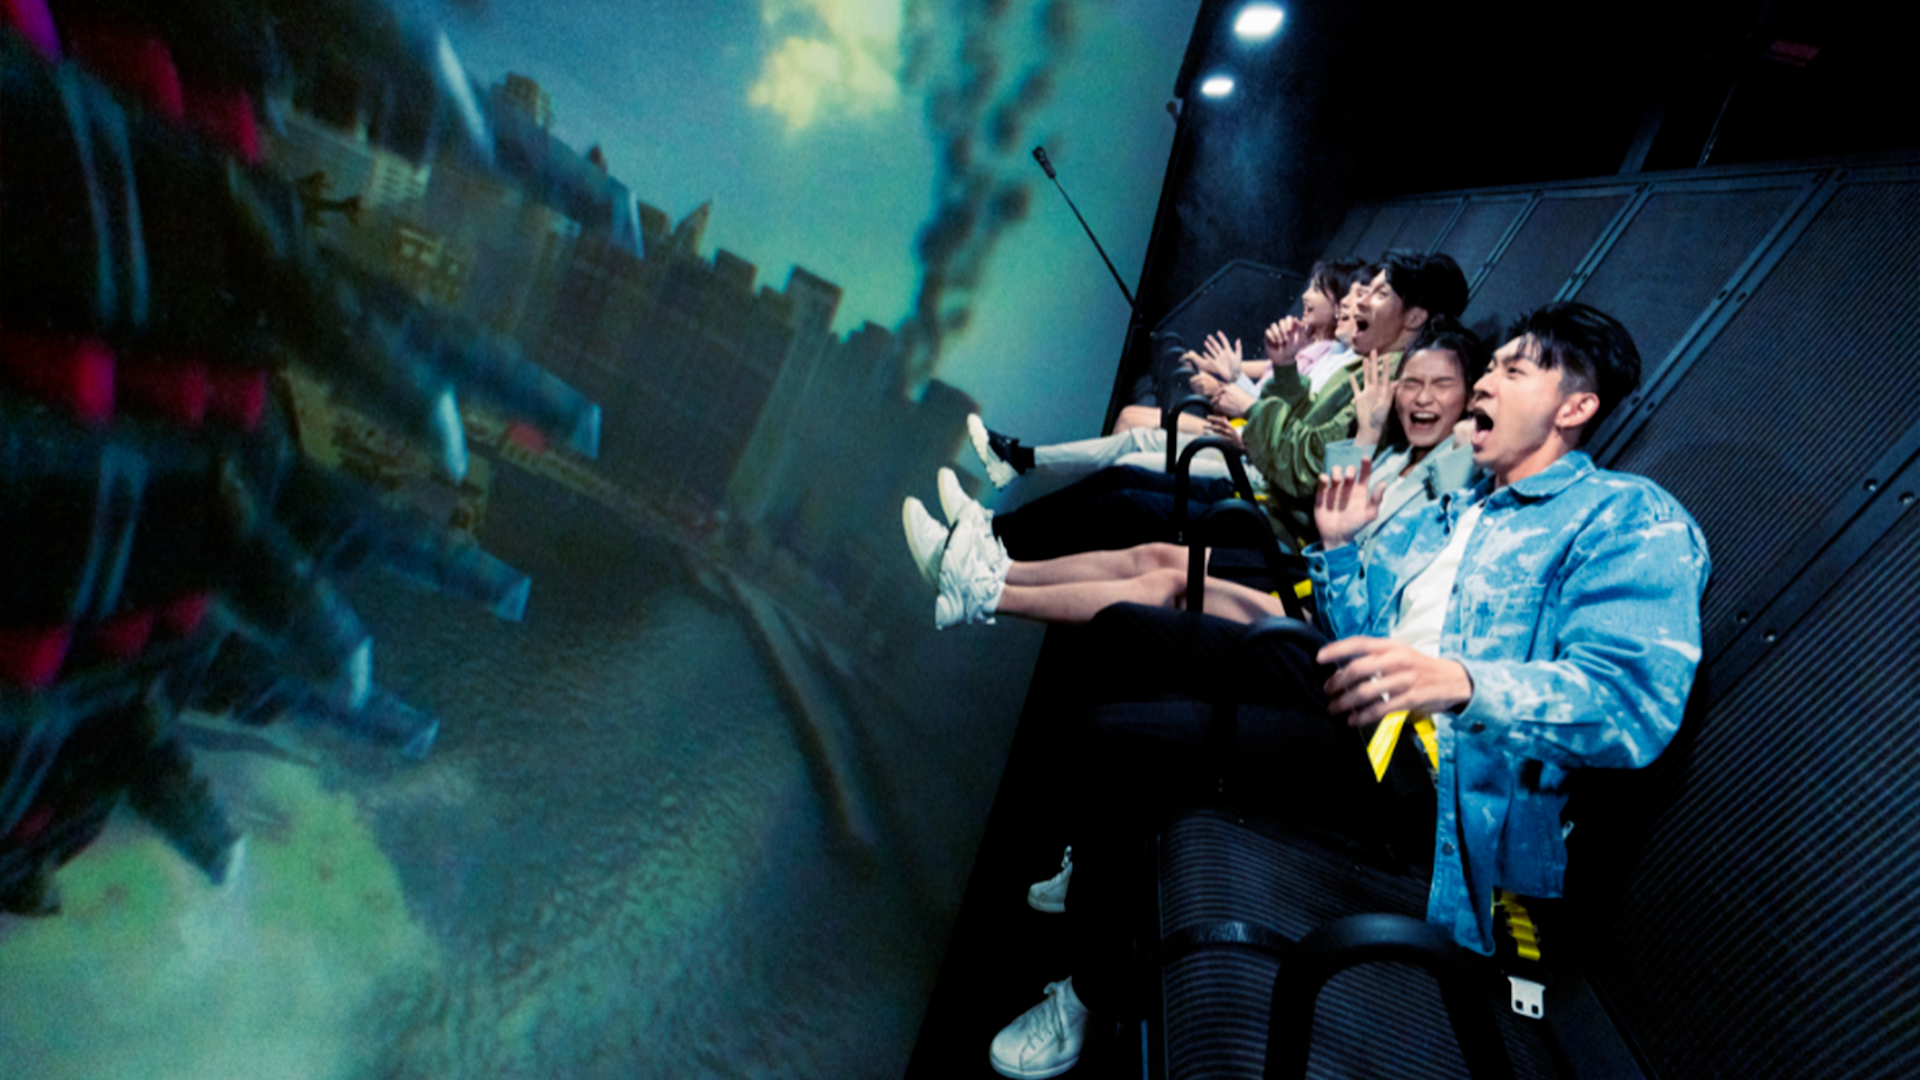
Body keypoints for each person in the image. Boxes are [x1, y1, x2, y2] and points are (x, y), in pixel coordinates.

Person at [977, 302, 1710, 1079]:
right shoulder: (1465, 497)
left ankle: (1096, 993)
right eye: (1491, 367)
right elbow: (1357, 625)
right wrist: (1337, 549)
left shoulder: (1630, 517)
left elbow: (1632, 702)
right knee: (1126, 631)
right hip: (1362, 693)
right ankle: (1100, 853)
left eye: (1513, 371)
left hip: (1434, 781)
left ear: (1575, 407)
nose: (1485, 385)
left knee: (1110, 746)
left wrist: (1462, 683)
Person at [902, 318, 1490, 631]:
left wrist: (1375, 434)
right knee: (1151, 548)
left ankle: (988, 583)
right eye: (1413, 384)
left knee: (1153, 552)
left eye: (1442, 387)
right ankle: (993, 569)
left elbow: (1321, 502)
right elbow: (1330, 502)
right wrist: (1357, 428)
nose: (1421, 398)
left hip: (1306, 579)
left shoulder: (1452, 467)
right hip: (1304, 557)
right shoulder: (1393, 444)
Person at [969, 250, 1468, 564]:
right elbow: (1298, 431)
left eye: (1378, 294)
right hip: (1259, 483)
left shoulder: (1386, 384)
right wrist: (1283, 372)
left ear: (1414, 318)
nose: (1357, 303)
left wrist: (1255, 416)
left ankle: (994, 544)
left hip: (1268, 510)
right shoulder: (1364, 365)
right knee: (1124, 476)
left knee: (1124, 499)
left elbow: (1302, 466)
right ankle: (995, 532)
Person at [964, 260, 1373, 493]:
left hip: (1247, 453)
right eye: (1351, 299)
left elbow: (1281, 424)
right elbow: (1269, 388)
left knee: (1129, 453)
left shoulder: (1342, 368)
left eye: (1358, 300)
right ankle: (1026, 463)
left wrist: (1232, 386)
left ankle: (1034, 475)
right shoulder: (1318, 352)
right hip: (1242, 438)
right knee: (1131, 436)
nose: (1349, 308)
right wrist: (1226, 374)